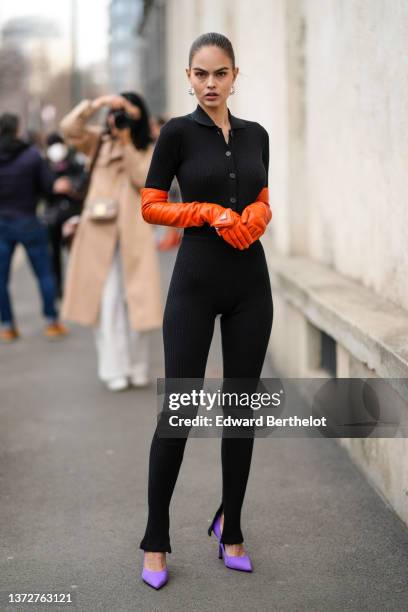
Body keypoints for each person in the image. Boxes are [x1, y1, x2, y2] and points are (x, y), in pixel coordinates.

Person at [138, 32, 273, 589]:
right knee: (181, 411)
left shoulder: (257, 135)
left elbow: (263, 194)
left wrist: (256, 220)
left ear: (235, 75)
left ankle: (232, 527)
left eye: (220, 74)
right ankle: (155, 539)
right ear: (189, 77)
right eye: (201, 74)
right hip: (194, 282)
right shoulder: (176, 133)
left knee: (241, 409)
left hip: (250, 284)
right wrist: (208, 213)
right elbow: (150, 205)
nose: (211, 84)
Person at [59, 93, 163, 392]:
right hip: (98, 236)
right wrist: (96, 103)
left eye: (123, 113)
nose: (115, 118)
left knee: (138, 304)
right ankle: (113, 367)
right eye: (112, 113)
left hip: (134, 235)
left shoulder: (146, 147)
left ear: (137, 117)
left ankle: (137, 366)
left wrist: (129, 139)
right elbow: (69, 129)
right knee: (108, 303)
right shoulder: (97, 142)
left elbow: (144, 178)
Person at [0, 113, 69, 342]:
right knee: (44, 273)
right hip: (29, 220)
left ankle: (8, 326)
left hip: (2, 223)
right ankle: (51, 322)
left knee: (1, 279)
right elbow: (48, 187)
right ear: (17, 129)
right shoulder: (31, 156)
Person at [43, 132, 86, 298]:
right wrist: (53, 186)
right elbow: (42, 187)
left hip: (71, 214)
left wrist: (71, 187)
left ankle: (77, 288)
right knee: (55, 254)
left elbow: (83, 181)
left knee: (75, 253)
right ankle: (59, 289)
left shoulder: (73, 161)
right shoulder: (45, 164)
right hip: (53, 216)